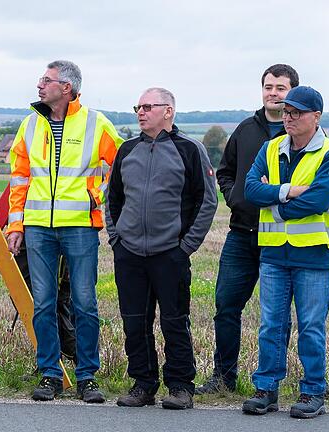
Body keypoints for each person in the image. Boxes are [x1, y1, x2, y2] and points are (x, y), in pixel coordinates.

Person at [6, 60, 123, 403]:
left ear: (67, 88)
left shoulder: (96, 123)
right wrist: (16, 225)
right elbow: (19, 179)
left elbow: (121, 165)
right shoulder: (30, 125)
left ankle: (87, 377)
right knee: (43, 303)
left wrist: (97, 196)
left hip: (80, 227)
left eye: (47, 81)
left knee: (84, 302)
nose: (40, 86)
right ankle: (50, 374)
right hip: (38, 226)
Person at [106, 88, 217, 410]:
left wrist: (186, 247)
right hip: (129, 253)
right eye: (138, 107)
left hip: (170, 253)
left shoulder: (190, 150)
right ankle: (143, 384)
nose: (140, 112)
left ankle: (181, 387)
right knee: (134, 321)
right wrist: (116, 238)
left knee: (174, 321)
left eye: (147, 106)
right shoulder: (127, 150)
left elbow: (207, 200)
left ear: (168, 111)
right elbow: (112, 198)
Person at [241, 86, 329, 419]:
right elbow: (250, 189)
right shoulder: (270, 148)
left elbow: (318, 200)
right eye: (286, 112)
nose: (288, 118)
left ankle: (313, 392)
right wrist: (288, 191)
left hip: (314, 255)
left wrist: (279, 206)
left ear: (316, 116)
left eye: (296, 113)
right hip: (273, 254)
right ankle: (266, 389)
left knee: (311, 326)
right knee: (271, 325)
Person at [197, 64, 299, 395]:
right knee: (226, 306)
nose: (273, 93)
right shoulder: (245, 130)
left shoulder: (301, 135)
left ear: (292, 91)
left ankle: (271, 382)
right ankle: (223, 378)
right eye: (269, 86)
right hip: (242, 234)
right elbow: (224, 171)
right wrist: (235, 196)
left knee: (277, 316)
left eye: (280, 88)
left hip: (281, 237)